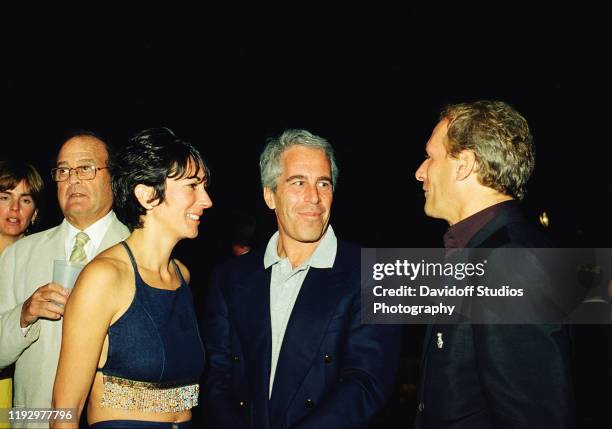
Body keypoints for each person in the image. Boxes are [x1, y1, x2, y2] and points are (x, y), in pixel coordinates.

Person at [203, 129, 401, 429]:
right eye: (298, 183)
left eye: (324, 183)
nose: (315, 198)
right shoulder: (230, 277)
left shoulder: (375, 272)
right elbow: (218, 377)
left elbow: (366, 384)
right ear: (270, 195)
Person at [414, 100, 574, 428]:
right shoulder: (482, 251)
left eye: (431, 157)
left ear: (464, 164)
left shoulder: (510, 263)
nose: (420, 171)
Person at [52, 128, 212, 428]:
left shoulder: (182, 276)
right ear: (148, 195)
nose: (206, 200)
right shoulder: (104, 278)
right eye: (193, 186)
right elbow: (64, 411)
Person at [0, 132, 129, 426]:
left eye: (85, 168)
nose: (73, 179)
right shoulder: (20, 254)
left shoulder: (140, 253)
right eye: (63, 171)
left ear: (114, 177)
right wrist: (23, 316)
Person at [0, 160, 44, 422]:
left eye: (25, 200)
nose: (14, 208)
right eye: (5, 197)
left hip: (25, 388)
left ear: (35, 212)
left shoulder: (45, 259)